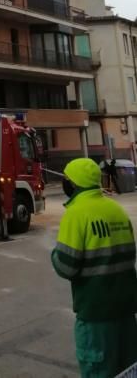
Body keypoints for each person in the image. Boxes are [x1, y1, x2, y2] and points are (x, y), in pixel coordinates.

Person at [51, 158, 137, 377]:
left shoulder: (76, 214)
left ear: (74, 183)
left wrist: (54, 254)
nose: (65, 183)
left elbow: (66, 266)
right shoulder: (116, 210)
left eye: (66, 179)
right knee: (127, 370)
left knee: (98, 370)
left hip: (95, 315)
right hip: (127, 312)